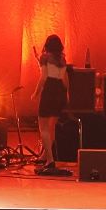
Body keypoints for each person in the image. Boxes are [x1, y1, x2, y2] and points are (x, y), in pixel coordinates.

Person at [34, 35, 70, 175]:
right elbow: (64, 78)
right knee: (51, 127)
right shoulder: (61, 58)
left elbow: (43, 77)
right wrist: (66, 95)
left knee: (42, 126)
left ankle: (50, 159)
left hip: (49, 91)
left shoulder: (45, 57)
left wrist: (36, 93)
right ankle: (45, 156)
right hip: (60, 92)